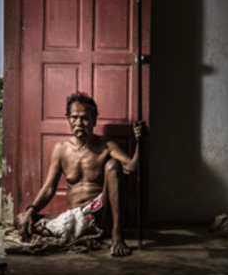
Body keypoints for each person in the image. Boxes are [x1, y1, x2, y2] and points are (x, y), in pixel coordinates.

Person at [15, 92, 142, 256]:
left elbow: (131, 167)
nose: (79, 123)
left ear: (94, 119)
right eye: (74, 118)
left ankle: (117, 233)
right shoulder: (61, 149)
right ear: (68, 119)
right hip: (76, 218)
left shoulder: (106, 145)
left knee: (113, 166)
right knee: (21, 220)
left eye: (84, 118)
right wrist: (31, 211)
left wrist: (140, 142)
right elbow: (49, 188)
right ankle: (81, 236)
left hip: (101, 215)